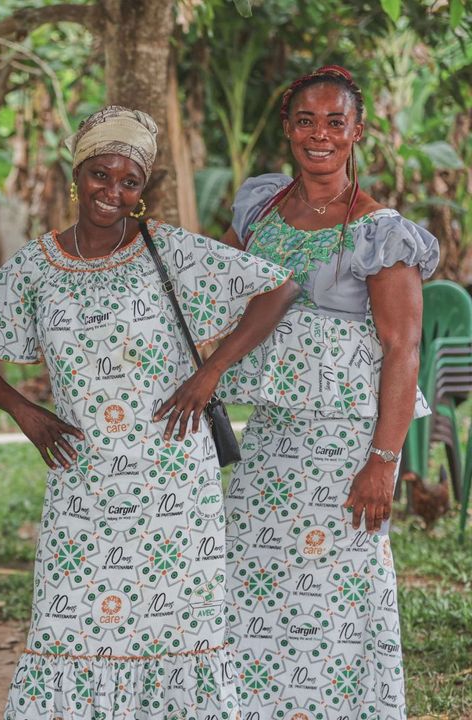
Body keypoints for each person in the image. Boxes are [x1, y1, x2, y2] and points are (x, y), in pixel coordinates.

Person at [0, 105, 299, 718]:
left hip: (175, 479)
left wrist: (210, 372)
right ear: (77, 176)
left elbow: (278, 288)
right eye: (100, 175)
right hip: (83, 479)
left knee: (179, 631)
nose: (112, 192)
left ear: (142, 190)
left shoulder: (169, 251)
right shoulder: (37, 268)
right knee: (69, 626)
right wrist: (24, 411)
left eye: (129, 181)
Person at [217, 66, 437, 719]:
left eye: (335, 122)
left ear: (357, 131)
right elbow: (215, 289)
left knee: (334, 594)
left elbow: (403, 350)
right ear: (288, 128)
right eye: (306, 120)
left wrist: (382, 462)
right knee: (253, 585)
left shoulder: (379, 230)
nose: (320, 134)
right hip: (271, 440)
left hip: (345, 452)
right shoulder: (260, 206)